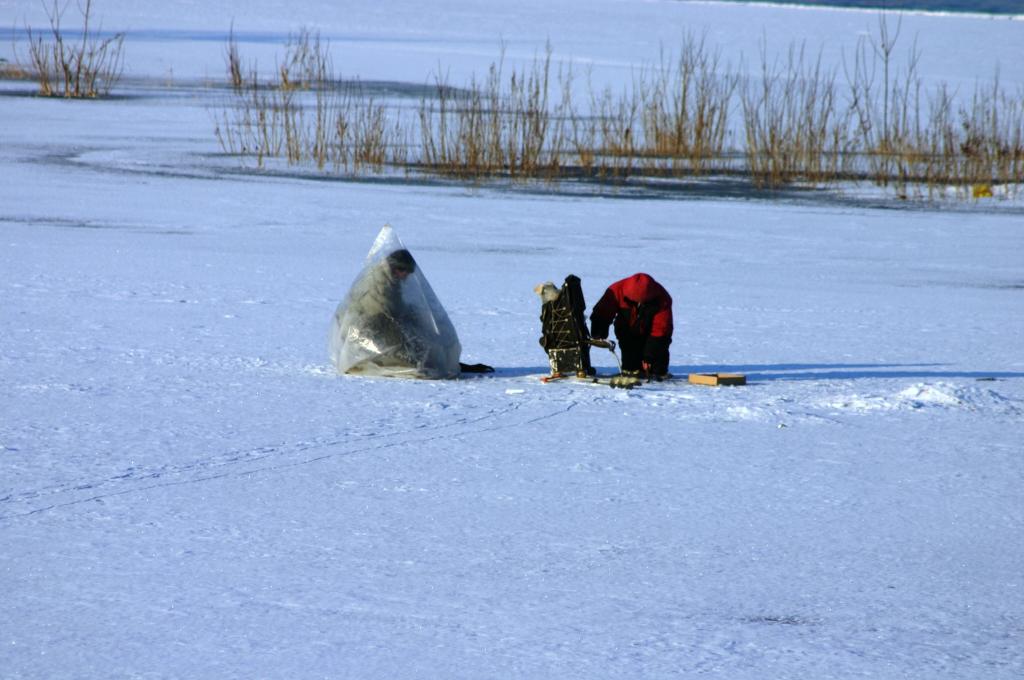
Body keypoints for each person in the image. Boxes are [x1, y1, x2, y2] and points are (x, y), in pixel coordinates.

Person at [331, 248, 462, 378]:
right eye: (404, 271)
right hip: (362, 328)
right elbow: (382, 312)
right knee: (402, 338)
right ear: (395, 268)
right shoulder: (378, 282)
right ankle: (412, 360)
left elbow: (395, 306)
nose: (406, 276)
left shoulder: (390, 279)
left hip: (376, 321)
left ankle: (428, 357)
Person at [589, 273, 673, 379]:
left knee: (657, 371)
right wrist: (599, 333)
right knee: (631, 369)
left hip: (652, 334)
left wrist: (649, 356)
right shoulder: (616, 290)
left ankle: (656, 369)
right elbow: (602, 313)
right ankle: (631, 366)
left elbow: (661, 330)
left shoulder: (662, 298)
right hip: (627, 331)